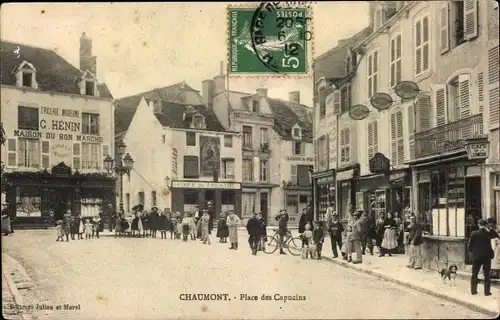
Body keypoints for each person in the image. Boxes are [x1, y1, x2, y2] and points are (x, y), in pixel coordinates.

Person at [469, 219, 494, 296]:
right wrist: (489, 228)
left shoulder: (474, 233)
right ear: (486, 225)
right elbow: (495, 235)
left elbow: (470, 245)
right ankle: (487, 292)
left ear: (478, 225)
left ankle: (473, 291)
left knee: (474, 274)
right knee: (487, 275)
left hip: (476, 256)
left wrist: (473, 252)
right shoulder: (488, 233)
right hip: (486, 256)